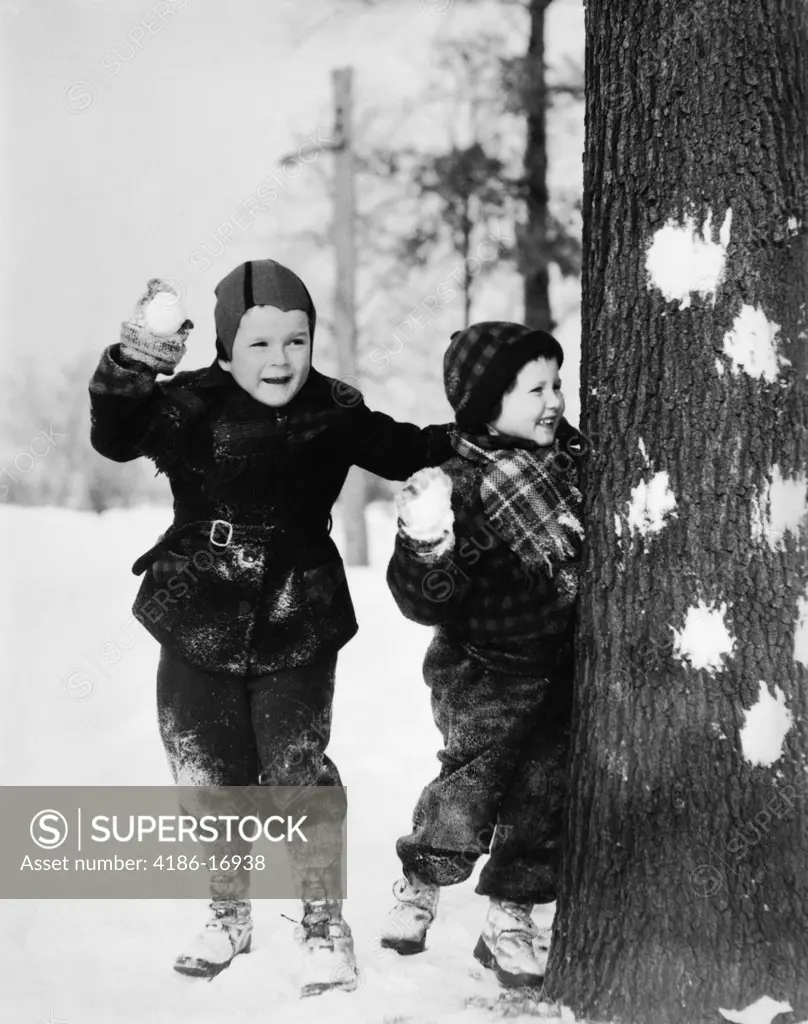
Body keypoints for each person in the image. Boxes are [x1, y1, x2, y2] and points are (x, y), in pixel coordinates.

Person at [88, 261, 453, 997]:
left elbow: (406, 446)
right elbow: (116, 436)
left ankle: (323, 922)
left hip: (299, 611)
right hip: (196, 609)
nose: (281, 360)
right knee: (204, 768)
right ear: (225, 348)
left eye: (296, 341)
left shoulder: (333, 409)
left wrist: (488, 430)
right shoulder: (188, 403)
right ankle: (228, 913)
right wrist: (134, 361)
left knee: (295, 767)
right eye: (258, 345)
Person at [380, 321, 587, 988]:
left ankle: (512, 916)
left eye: (557, 384)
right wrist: (427, 545)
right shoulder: (454, 486)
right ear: (487, 402)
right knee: (471, 787)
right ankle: (422, 873)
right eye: (536, 389)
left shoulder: (568, 467)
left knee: (542, 796)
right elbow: (423, 601)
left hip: (557, 666)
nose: (554, 400)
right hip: (484, 672)